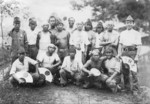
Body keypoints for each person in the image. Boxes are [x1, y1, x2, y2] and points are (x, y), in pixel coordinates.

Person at [118, 15, 142, 95]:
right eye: (127, 22)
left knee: (134, 72)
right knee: (125, 72)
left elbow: (139, 45)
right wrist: (119, 53)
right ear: (125, 23)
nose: (129, 24)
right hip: (124, 53)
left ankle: (135, 89)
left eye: (130, 22)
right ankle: (127, 88)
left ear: (133, 23)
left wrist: (137, 55)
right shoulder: (122, 33)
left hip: (132, 52)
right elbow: (120, 44)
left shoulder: (137, 33)